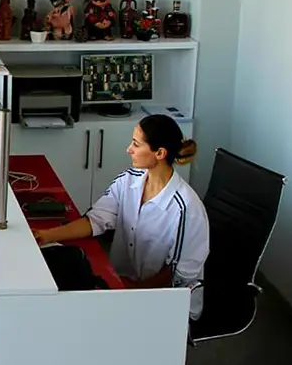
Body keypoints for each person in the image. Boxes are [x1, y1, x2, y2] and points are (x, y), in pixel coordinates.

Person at [33, 114, 210, 320]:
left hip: (166, 304)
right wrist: (46, 235)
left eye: (136, 144)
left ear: (160, 153)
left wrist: (129, 290)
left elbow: (177, 277)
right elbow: (96, 220)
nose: (129, 149)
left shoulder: (186, 209)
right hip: (125, 285)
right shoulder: (129, 179)